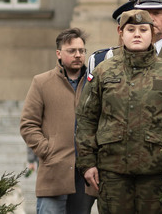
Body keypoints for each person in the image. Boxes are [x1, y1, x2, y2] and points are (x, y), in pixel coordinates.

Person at [75, 10, 162, 214]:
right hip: (113, 172)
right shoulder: (103, 71)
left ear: (152, 33)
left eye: (143, 30)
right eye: (131, 30)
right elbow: (86, 120)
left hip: (157, 172)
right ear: (120, 32)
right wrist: (87, 163)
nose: (137, 34)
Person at [19, 28, 96, 214]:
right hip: (53, 171)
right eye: (72, 51)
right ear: (59, 53)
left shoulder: (94, 83)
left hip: (85, 174)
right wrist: (48, 151)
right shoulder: (41, 82)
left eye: (81, 50)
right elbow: (28, 124)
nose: (78, 55)